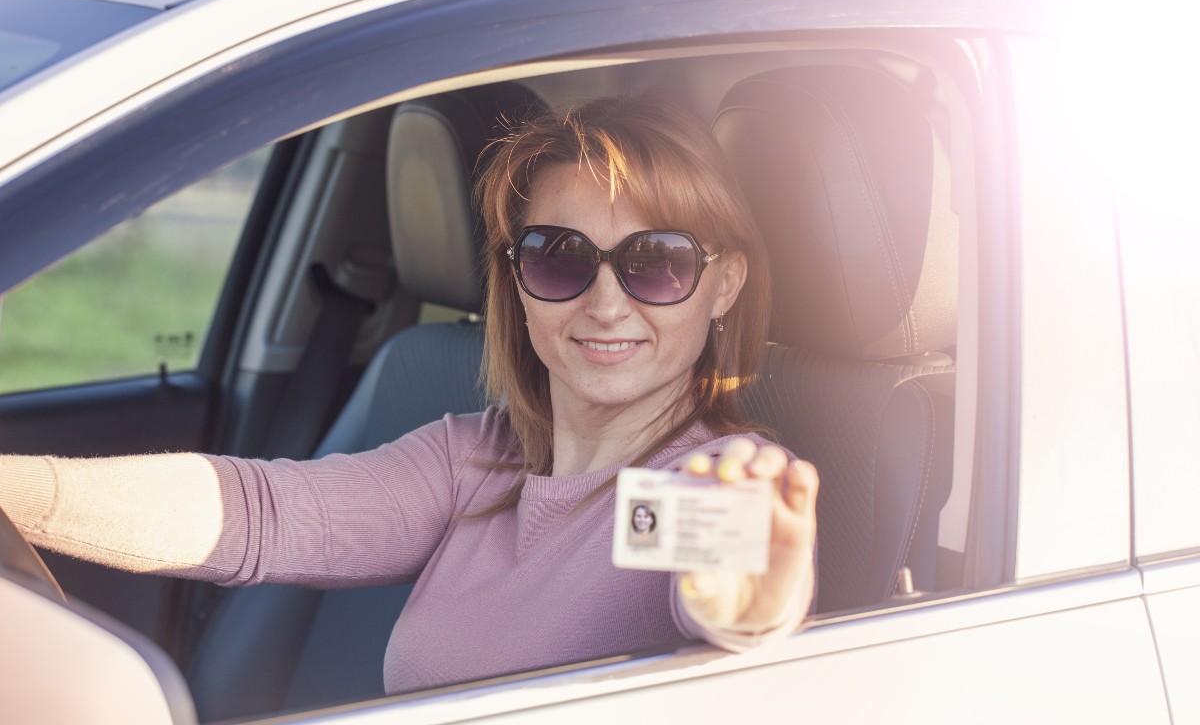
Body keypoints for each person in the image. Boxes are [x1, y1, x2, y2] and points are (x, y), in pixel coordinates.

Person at [0, 94, 818, 695]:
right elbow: (260, 512)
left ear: (722, 287)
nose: (606, 303)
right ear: (516, 281)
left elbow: (733, 590)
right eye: (560, 258)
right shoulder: (477, 456)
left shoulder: (717, 480)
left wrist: (749, 605)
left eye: (657, 262)